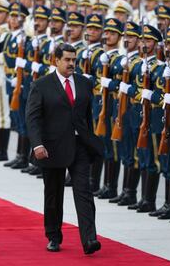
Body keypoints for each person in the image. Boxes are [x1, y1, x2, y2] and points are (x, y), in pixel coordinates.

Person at [26, 43, 103, 254]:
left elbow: (87, 116)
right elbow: (32, 119)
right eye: (67, 60)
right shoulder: (41, 85)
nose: (71, 64)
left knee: (84, 192)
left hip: (79, 146)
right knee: (53, 193)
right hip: (52, 147)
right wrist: (37, 144)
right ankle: (53, 236)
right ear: (56, 61)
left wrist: (89, 139)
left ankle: (89, 239)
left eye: (73, 60)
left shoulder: (84, 83)